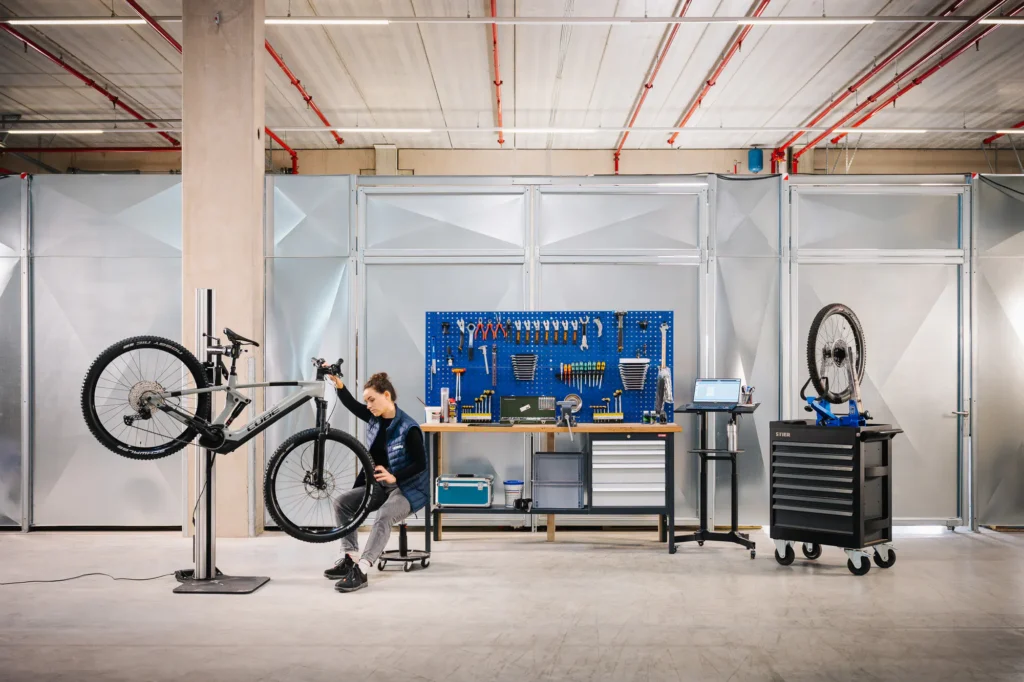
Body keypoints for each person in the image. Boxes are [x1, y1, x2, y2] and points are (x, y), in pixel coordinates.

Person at [322, 370, 429, 593]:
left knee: (385, 515)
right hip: (380, 486)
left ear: (387, 396)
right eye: (366, 401)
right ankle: (350, 557)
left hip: (407, 489)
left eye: (372, 399)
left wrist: (395, 477)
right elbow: (352, 405)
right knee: (342, 503)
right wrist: (339, 385)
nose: (368, 405)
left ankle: (361, 570)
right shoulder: (374, 418)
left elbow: (421, 464)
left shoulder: (409, 428)